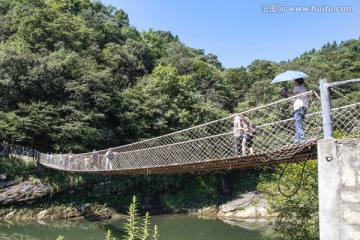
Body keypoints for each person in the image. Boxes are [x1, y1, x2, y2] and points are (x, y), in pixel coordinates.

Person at [291, 78, 308, 144]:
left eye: (294, 81)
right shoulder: (304, 88)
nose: (294, 83)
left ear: (296, 82)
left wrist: (287, 95)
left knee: (298, 124)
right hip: (304, 107)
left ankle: (303, 139)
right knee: (299, 124)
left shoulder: (296, 88)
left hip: (298, 108)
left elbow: (292, 100)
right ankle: (296, 140)